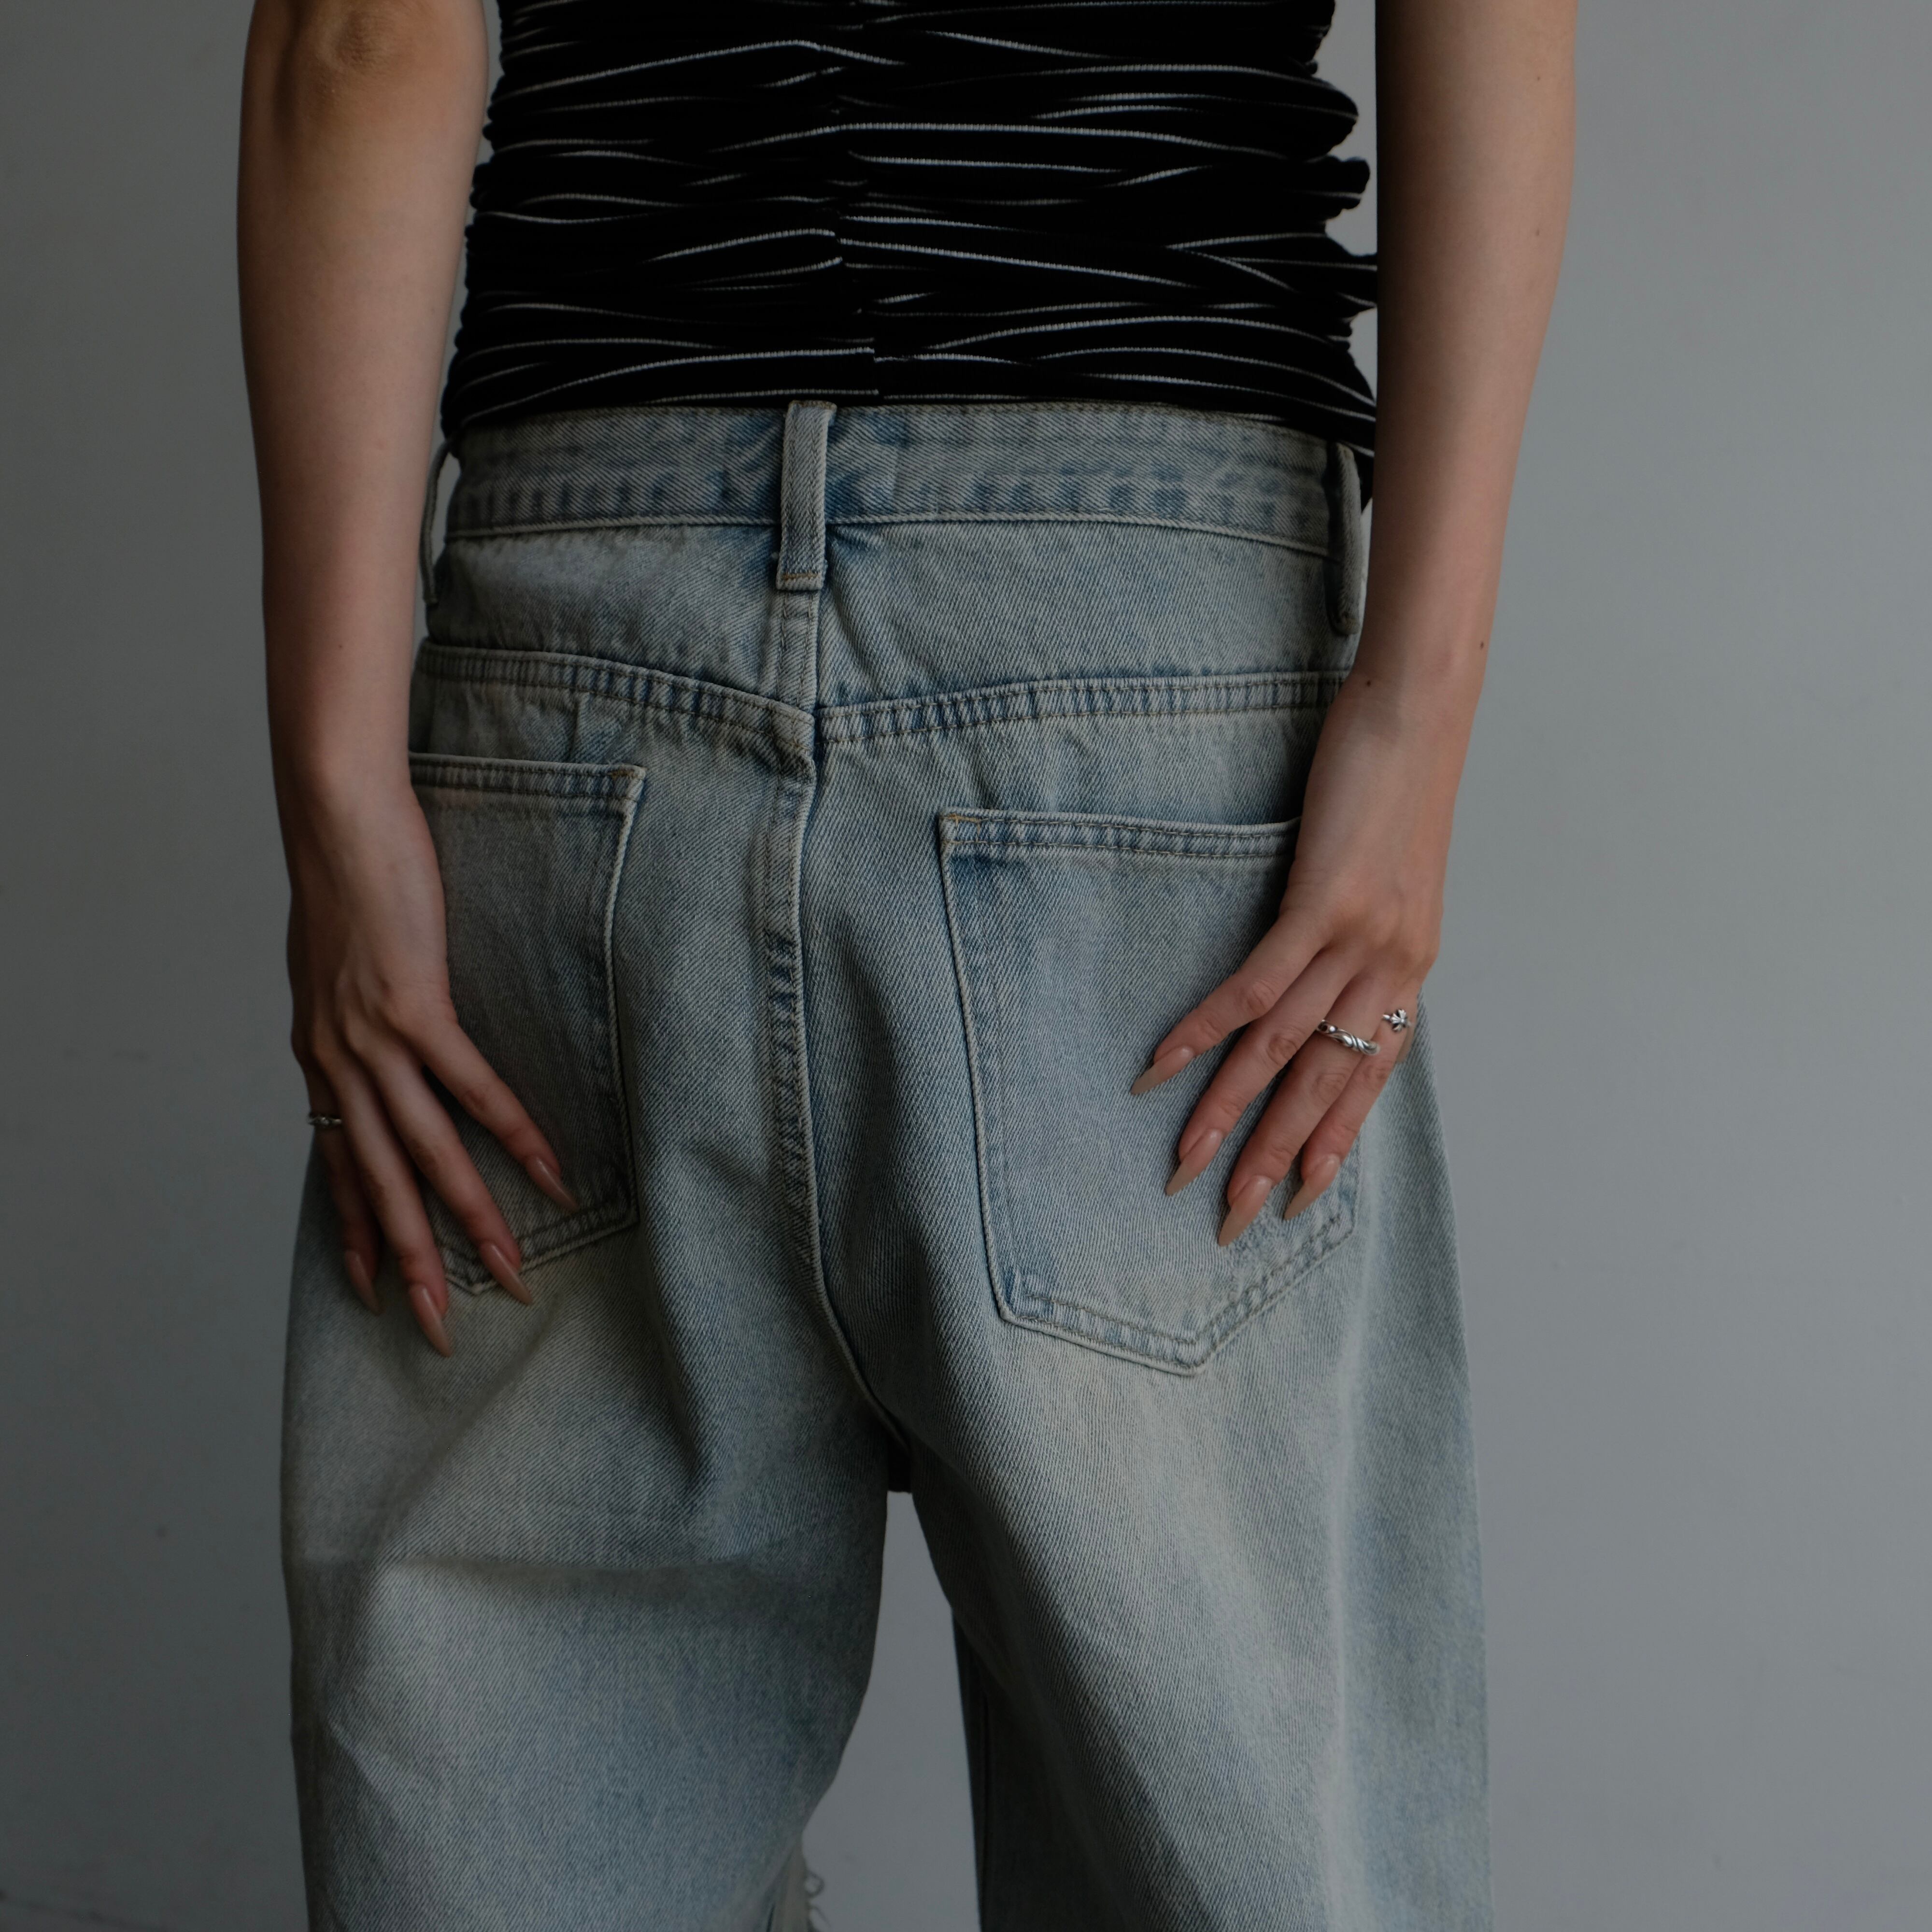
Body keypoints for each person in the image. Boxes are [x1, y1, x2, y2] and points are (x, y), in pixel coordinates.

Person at [239, 0, 1573, 1922]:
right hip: (1132, 646)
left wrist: (339, 783)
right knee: (1244, 1830)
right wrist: (1418, 705)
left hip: (578, 647)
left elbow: (362, 39)